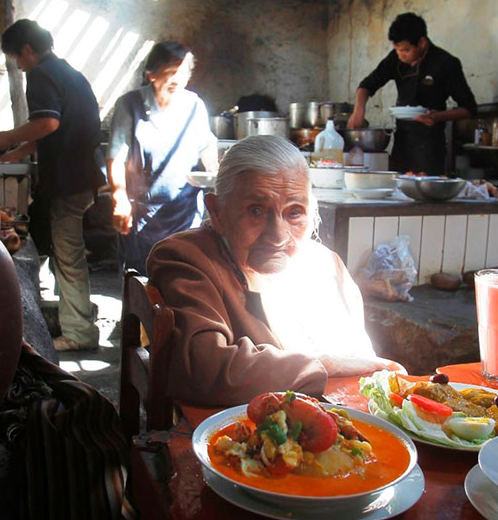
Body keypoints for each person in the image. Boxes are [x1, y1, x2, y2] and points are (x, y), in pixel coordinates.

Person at [147, 135, 403, 406]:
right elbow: (204, 369)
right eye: (256, 211)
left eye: (294, 212)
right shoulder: (186, 258)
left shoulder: (326, 266)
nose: (278, 236)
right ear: (218, 212)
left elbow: (362, 363)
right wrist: (322, 363)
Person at [0, 19, 103, 352]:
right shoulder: (68, 73)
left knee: (68, 257)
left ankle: (79, 332)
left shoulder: (41, 74)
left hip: (69, 180)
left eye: (17, 59)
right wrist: (15, 154)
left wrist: (5, 138)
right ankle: (75, 321)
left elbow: (47, 123)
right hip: (81, 176)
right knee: (65, 253)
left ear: (27, 50)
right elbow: (50, 131)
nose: (19, 66)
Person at [107, 41, 219, 272]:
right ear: (151, 74)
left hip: (185, 210)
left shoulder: (193, 105)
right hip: (142, 213)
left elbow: (205, 147)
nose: (177, 81)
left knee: (183, 275)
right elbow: (116, 155)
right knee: (142, 279)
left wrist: (217, 178)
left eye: (183, 74)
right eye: (171, 73)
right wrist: (119, 198)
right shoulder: (130, 105)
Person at [347, 12, 477, 175]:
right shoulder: (396, 58)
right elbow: (366, 86)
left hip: (430, 145)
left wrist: (436, 117)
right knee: (397, 192)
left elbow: (469, 109)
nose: (401, 55)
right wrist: (358, 111)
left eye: (406, 50)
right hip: (402, 140)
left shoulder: (446, 63)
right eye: (397, 50)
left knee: (425, 194)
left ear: (422, 43)